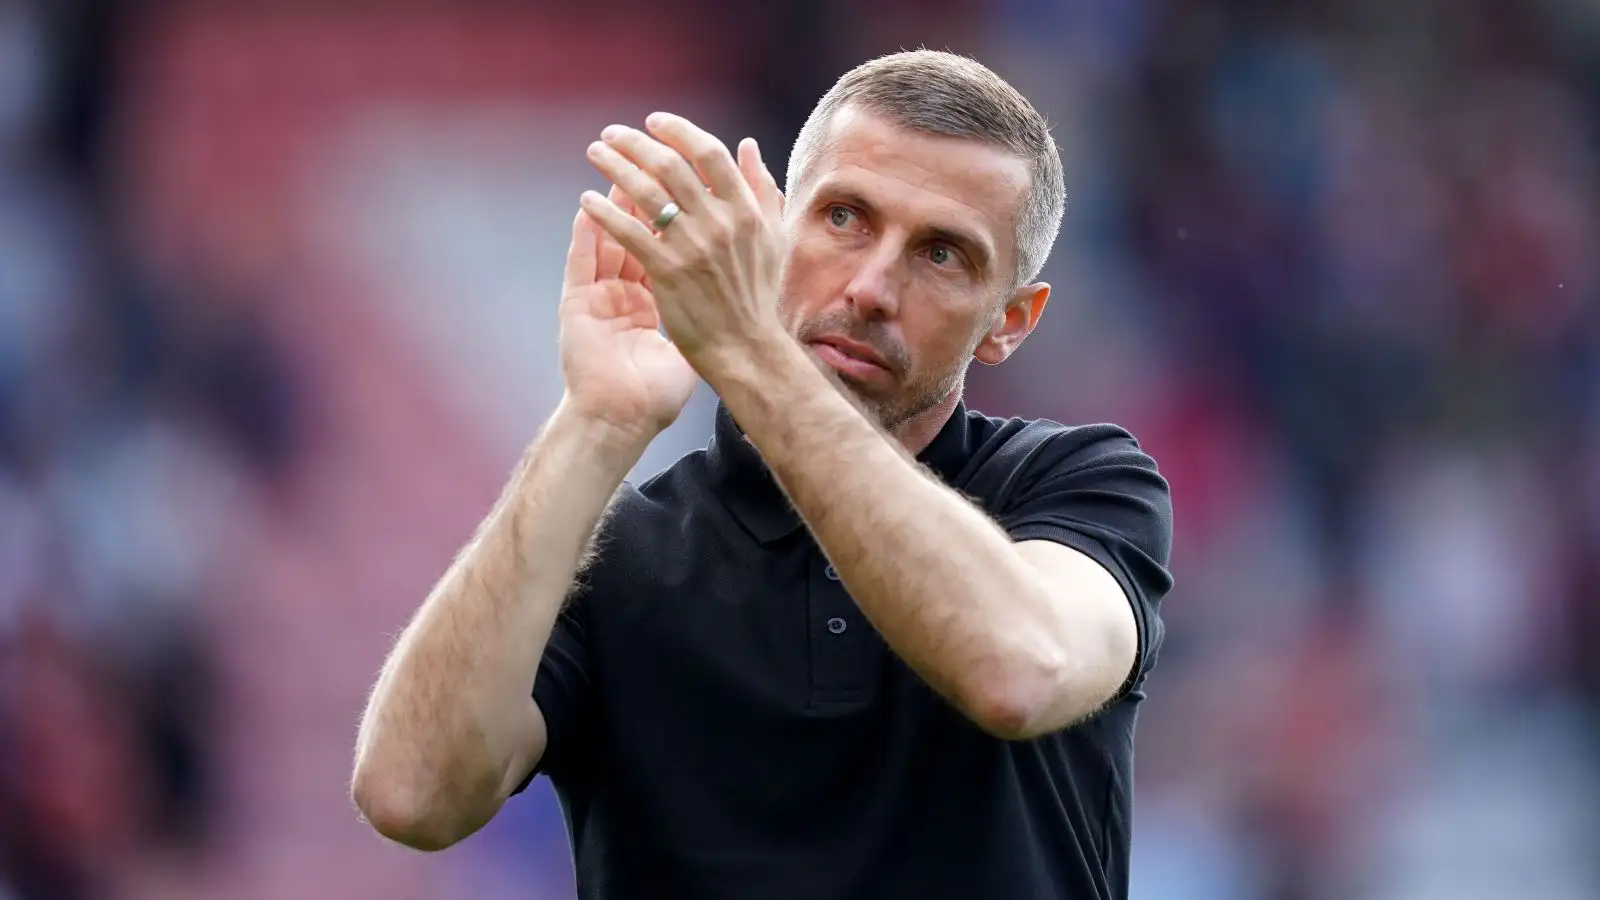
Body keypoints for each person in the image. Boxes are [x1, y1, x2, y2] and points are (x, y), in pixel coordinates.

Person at [351, 50, 1174, 900]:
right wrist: (598, 420)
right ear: (774, 230)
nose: (870, 286)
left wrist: (746, 349)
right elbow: (411, 796)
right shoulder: (621, 548)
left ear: (1009, 323)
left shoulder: (1081, 486)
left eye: (941, 254)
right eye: (845, 217)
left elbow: (1017, 671)